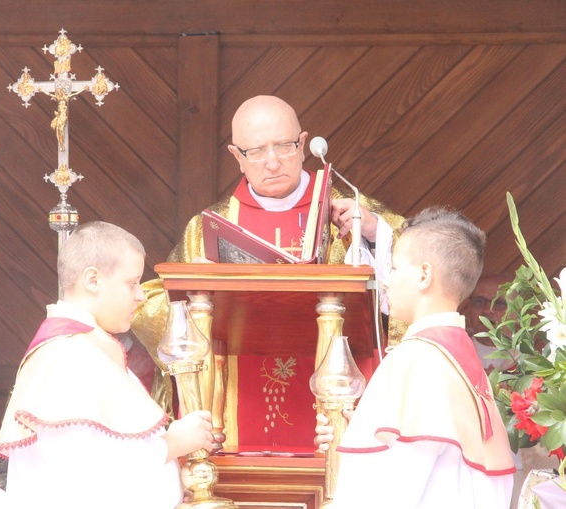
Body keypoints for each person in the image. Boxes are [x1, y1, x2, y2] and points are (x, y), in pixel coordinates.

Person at [132, 94, 405, 448]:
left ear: (304, 144)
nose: (273, 162)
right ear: (236, 157)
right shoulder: (208, 228)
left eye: (285, 146)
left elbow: (420, 272)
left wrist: (373, 233)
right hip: (237, 403)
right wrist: (192, 294)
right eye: (257, 151)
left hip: (338, 399)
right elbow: (149, 305)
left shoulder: (350, 209)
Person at [0, 221, 214, 508]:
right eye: (132, 282)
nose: (141, 295)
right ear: (93, 280)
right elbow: (85, 472)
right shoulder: (66, 355)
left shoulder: (88, 350)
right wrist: (172, 444)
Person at [318, 207, 516, 508]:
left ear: (424, 275)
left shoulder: (415, 360)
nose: (387, 281)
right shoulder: (461, 363)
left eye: (395, 268)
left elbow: (386, 493)